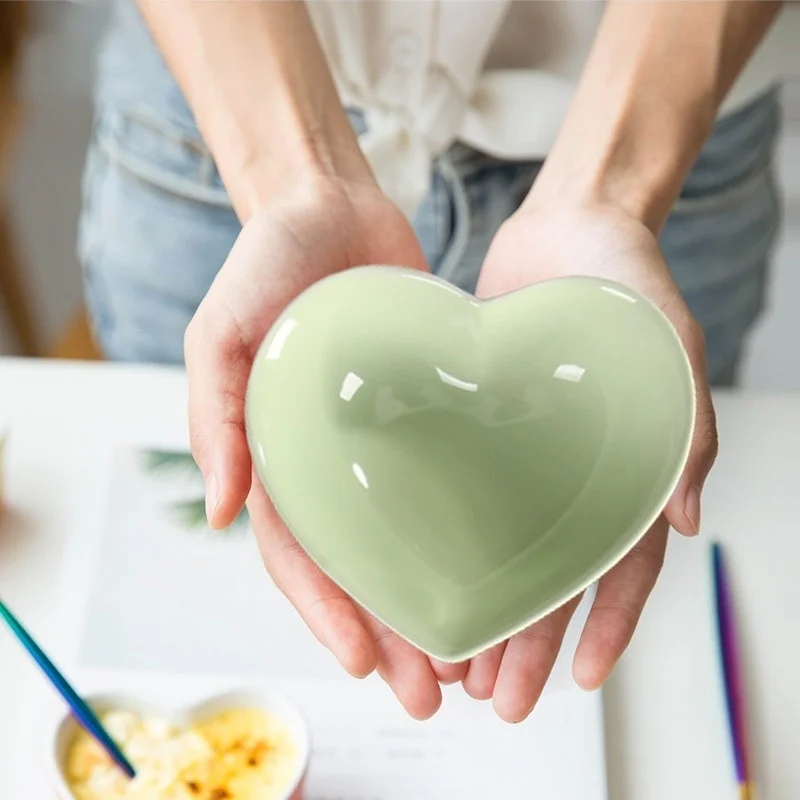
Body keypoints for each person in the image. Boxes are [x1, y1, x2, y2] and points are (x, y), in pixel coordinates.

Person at [79, 0, 795, 723]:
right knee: (189, 600)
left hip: (672, 118)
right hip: (225, 114)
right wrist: (295, 178)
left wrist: (611, 185)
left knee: (660, 632)